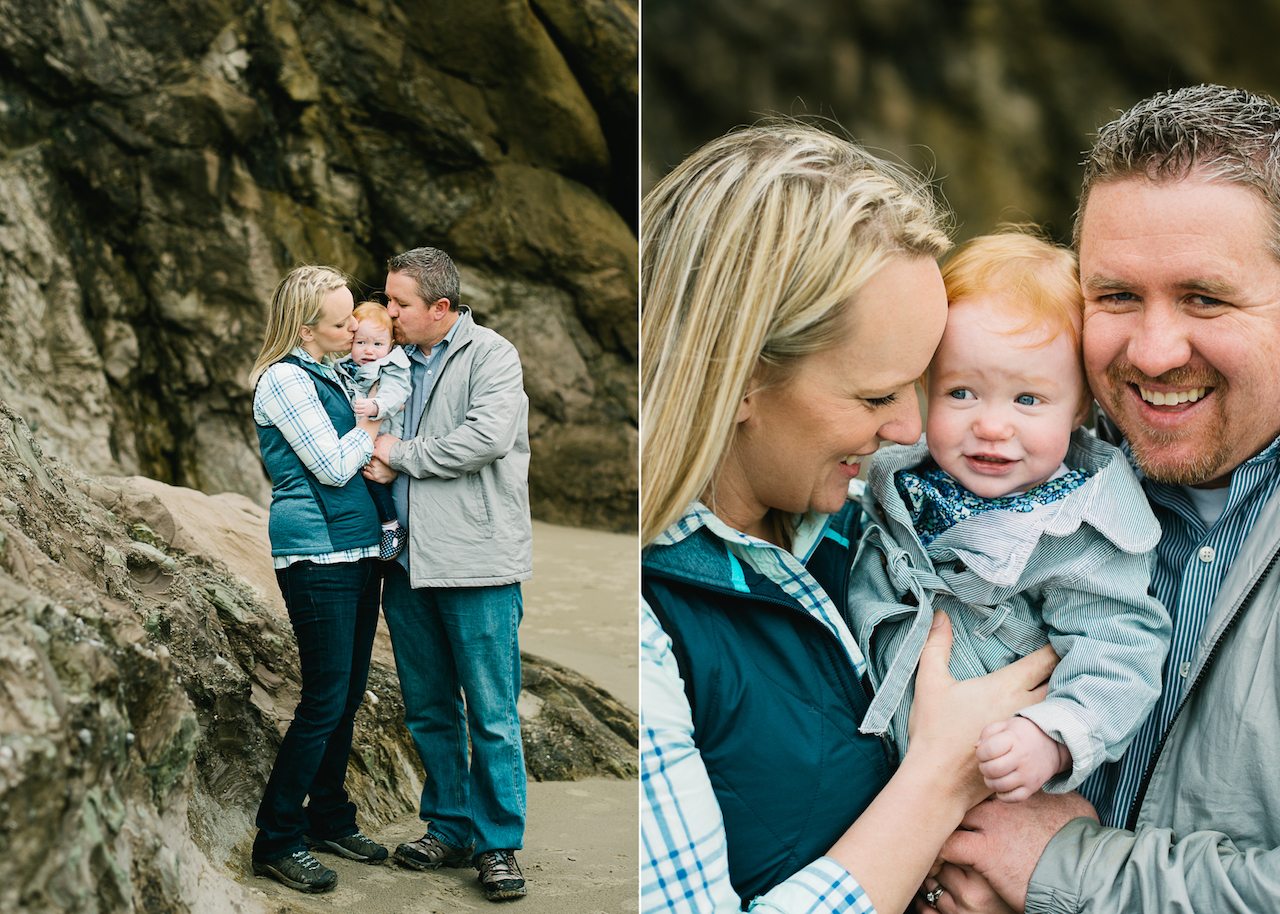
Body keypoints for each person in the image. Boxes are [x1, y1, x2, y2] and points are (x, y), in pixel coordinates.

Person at [639, 123, 1059, 914]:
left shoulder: (879, 517)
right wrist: (941, 778)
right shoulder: (644, 619)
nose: (910, 428)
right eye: (874, 397)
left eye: (924, 383)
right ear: (741, 379)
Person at [925, 83, 1280, 914]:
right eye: (1116, 296)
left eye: (1206, 297)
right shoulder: (1008, 486)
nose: (1153, 353)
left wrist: (1067, 874)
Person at [849, 231, 1170, 803]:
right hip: (879, 764)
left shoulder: (1076, 530)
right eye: (962, 392)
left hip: (990, 776)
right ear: (925, 388)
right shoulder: (895, 480)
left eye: (1027, 400)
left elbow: (1120, 650)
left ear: (1079, 408)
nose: (992, 426)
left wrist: (1050, 737)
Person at [362, 246, 532, 902]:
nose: (389, 312)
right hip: (405, 561)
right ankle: (449, 825)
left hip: (477, 561)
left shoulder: (492, 355)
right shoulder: (392, 360)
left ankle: (498, 844)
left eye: (400, 303)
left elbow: (485, 439)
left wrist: (398, 454)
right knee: (430, 708)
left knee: (492, 711)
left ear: (441, 307)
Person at [247, 265, 389, 893]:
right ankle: (277, 838)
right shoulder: (283, 379)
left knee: (350, 691)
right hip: (315, 554)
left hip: (356, 550)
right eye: (341, 321)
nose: (355, 325)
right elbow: (332, 467)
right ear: (307, 328)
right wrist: (369, 431)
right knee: (325, 697)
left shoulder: (331, 370)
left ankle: (329, 816)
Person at [335, 300, 411, 559]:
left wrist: (377, 406)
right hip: (357, 436)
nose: (369, 350)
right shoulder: (343, 367)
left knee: (373, 479)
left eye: (378, 344)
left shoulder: (392, 367)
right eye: (361, 343)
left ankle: (391, 526)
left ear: (390, 345)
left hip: (381, 436)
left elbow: (396, 393)